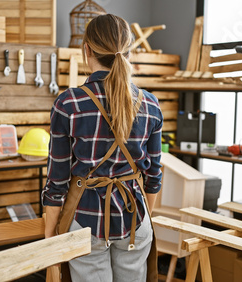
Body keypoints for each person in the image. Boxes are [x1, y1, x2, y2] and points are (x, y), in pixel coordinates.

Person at [42, 13, 163, 282]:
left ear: (87, 50)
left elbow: (57, 181)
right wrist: (141, 219)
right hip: (136, 220)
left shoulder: (68, 104)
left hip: (86, 221)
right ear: (129, 52)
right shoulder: (151, 105)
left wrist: (50, 235)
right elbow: (154, 178)